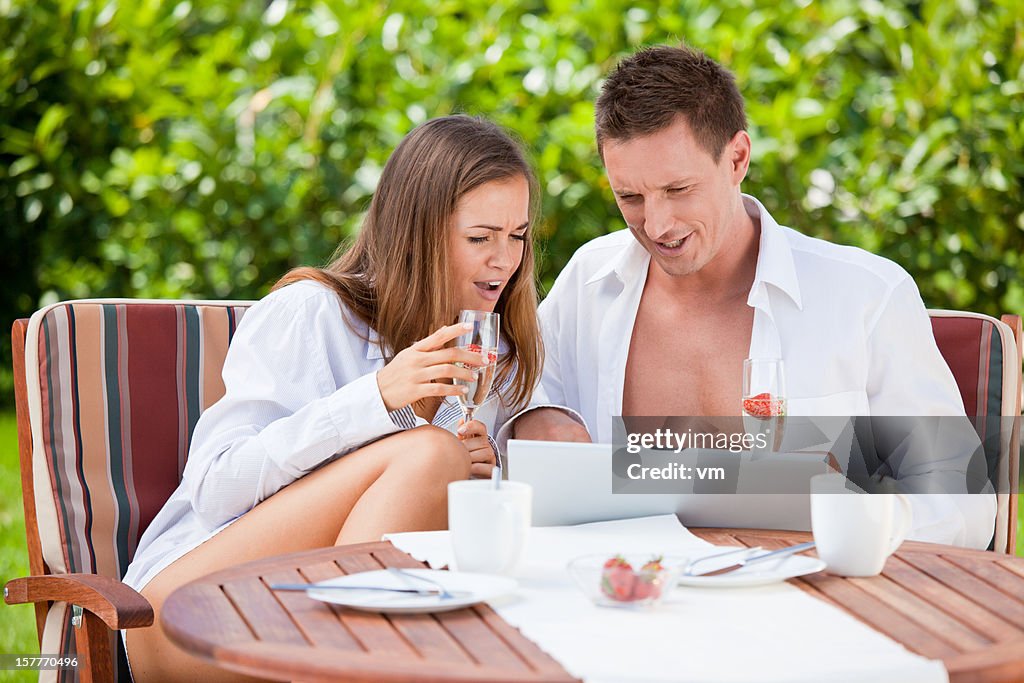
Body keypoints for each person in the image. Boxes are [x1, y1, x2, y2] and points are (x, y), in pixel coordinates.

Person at [502, 45, 995, 549]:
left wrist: (846, 518)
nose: (656, 225)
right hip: (635, 599)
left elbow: (964, 497)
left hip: (812, 598)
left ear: (737, 157)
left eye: (678, 189)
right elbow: (514, 398)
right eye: (630, 197)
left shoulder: (868, 295)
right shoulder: (589, 281)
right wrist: (532, 418)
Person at [122, 115, 544, 682]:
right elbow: (215, 488)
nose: (505, 260)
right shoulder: (311, 313)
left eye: (517, 236)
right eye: (480, 237)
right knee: (428, 453)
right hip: (186, 613)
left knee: (440, 461)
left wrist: (476, 478)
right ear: (416, 232)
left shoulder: (482, 353)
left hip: (322, 619)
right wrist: (377, 400)